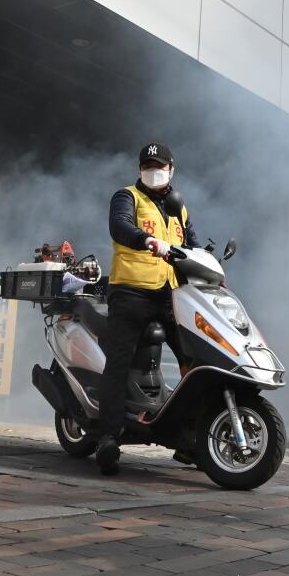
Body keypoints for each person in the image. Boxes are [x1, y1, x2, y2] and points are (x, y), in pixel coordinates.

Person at [96, 142, 199, 475]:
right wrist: (146, 240)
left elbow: (192, 246)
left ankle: (190, 438)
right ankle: (108, 438)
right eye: (147, 165)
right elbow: (120, 227)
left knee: (192, 361)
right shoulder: (127, 197)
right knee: (118, 364)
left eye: (159, 165)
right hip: (130, 294)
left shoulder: (178, 207)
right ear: (140, 169)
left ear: (172, 169)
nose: (153, 170)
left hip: (169, 296)